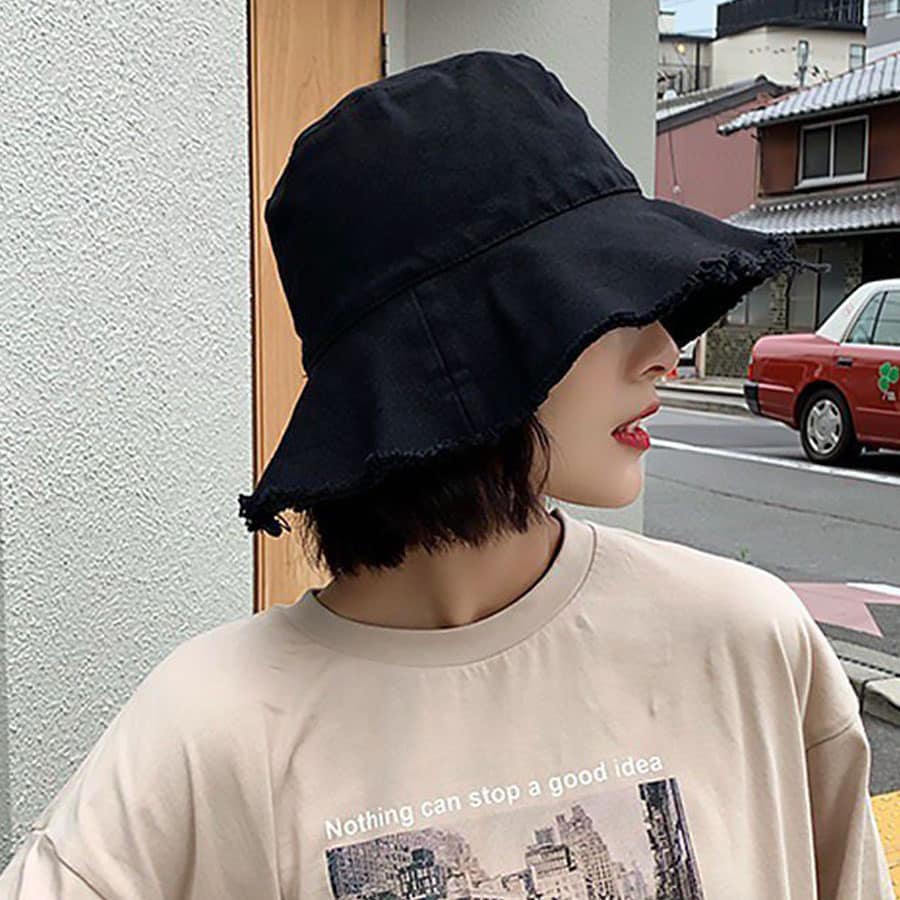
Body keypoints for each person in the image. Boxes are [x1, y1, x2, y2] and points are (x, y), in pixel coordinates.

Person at [0, 50, 893, 899]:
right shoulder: (208, 729)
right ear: (461, 356)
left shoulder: (746, 644)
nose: (664, 349)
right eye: (601, 305)